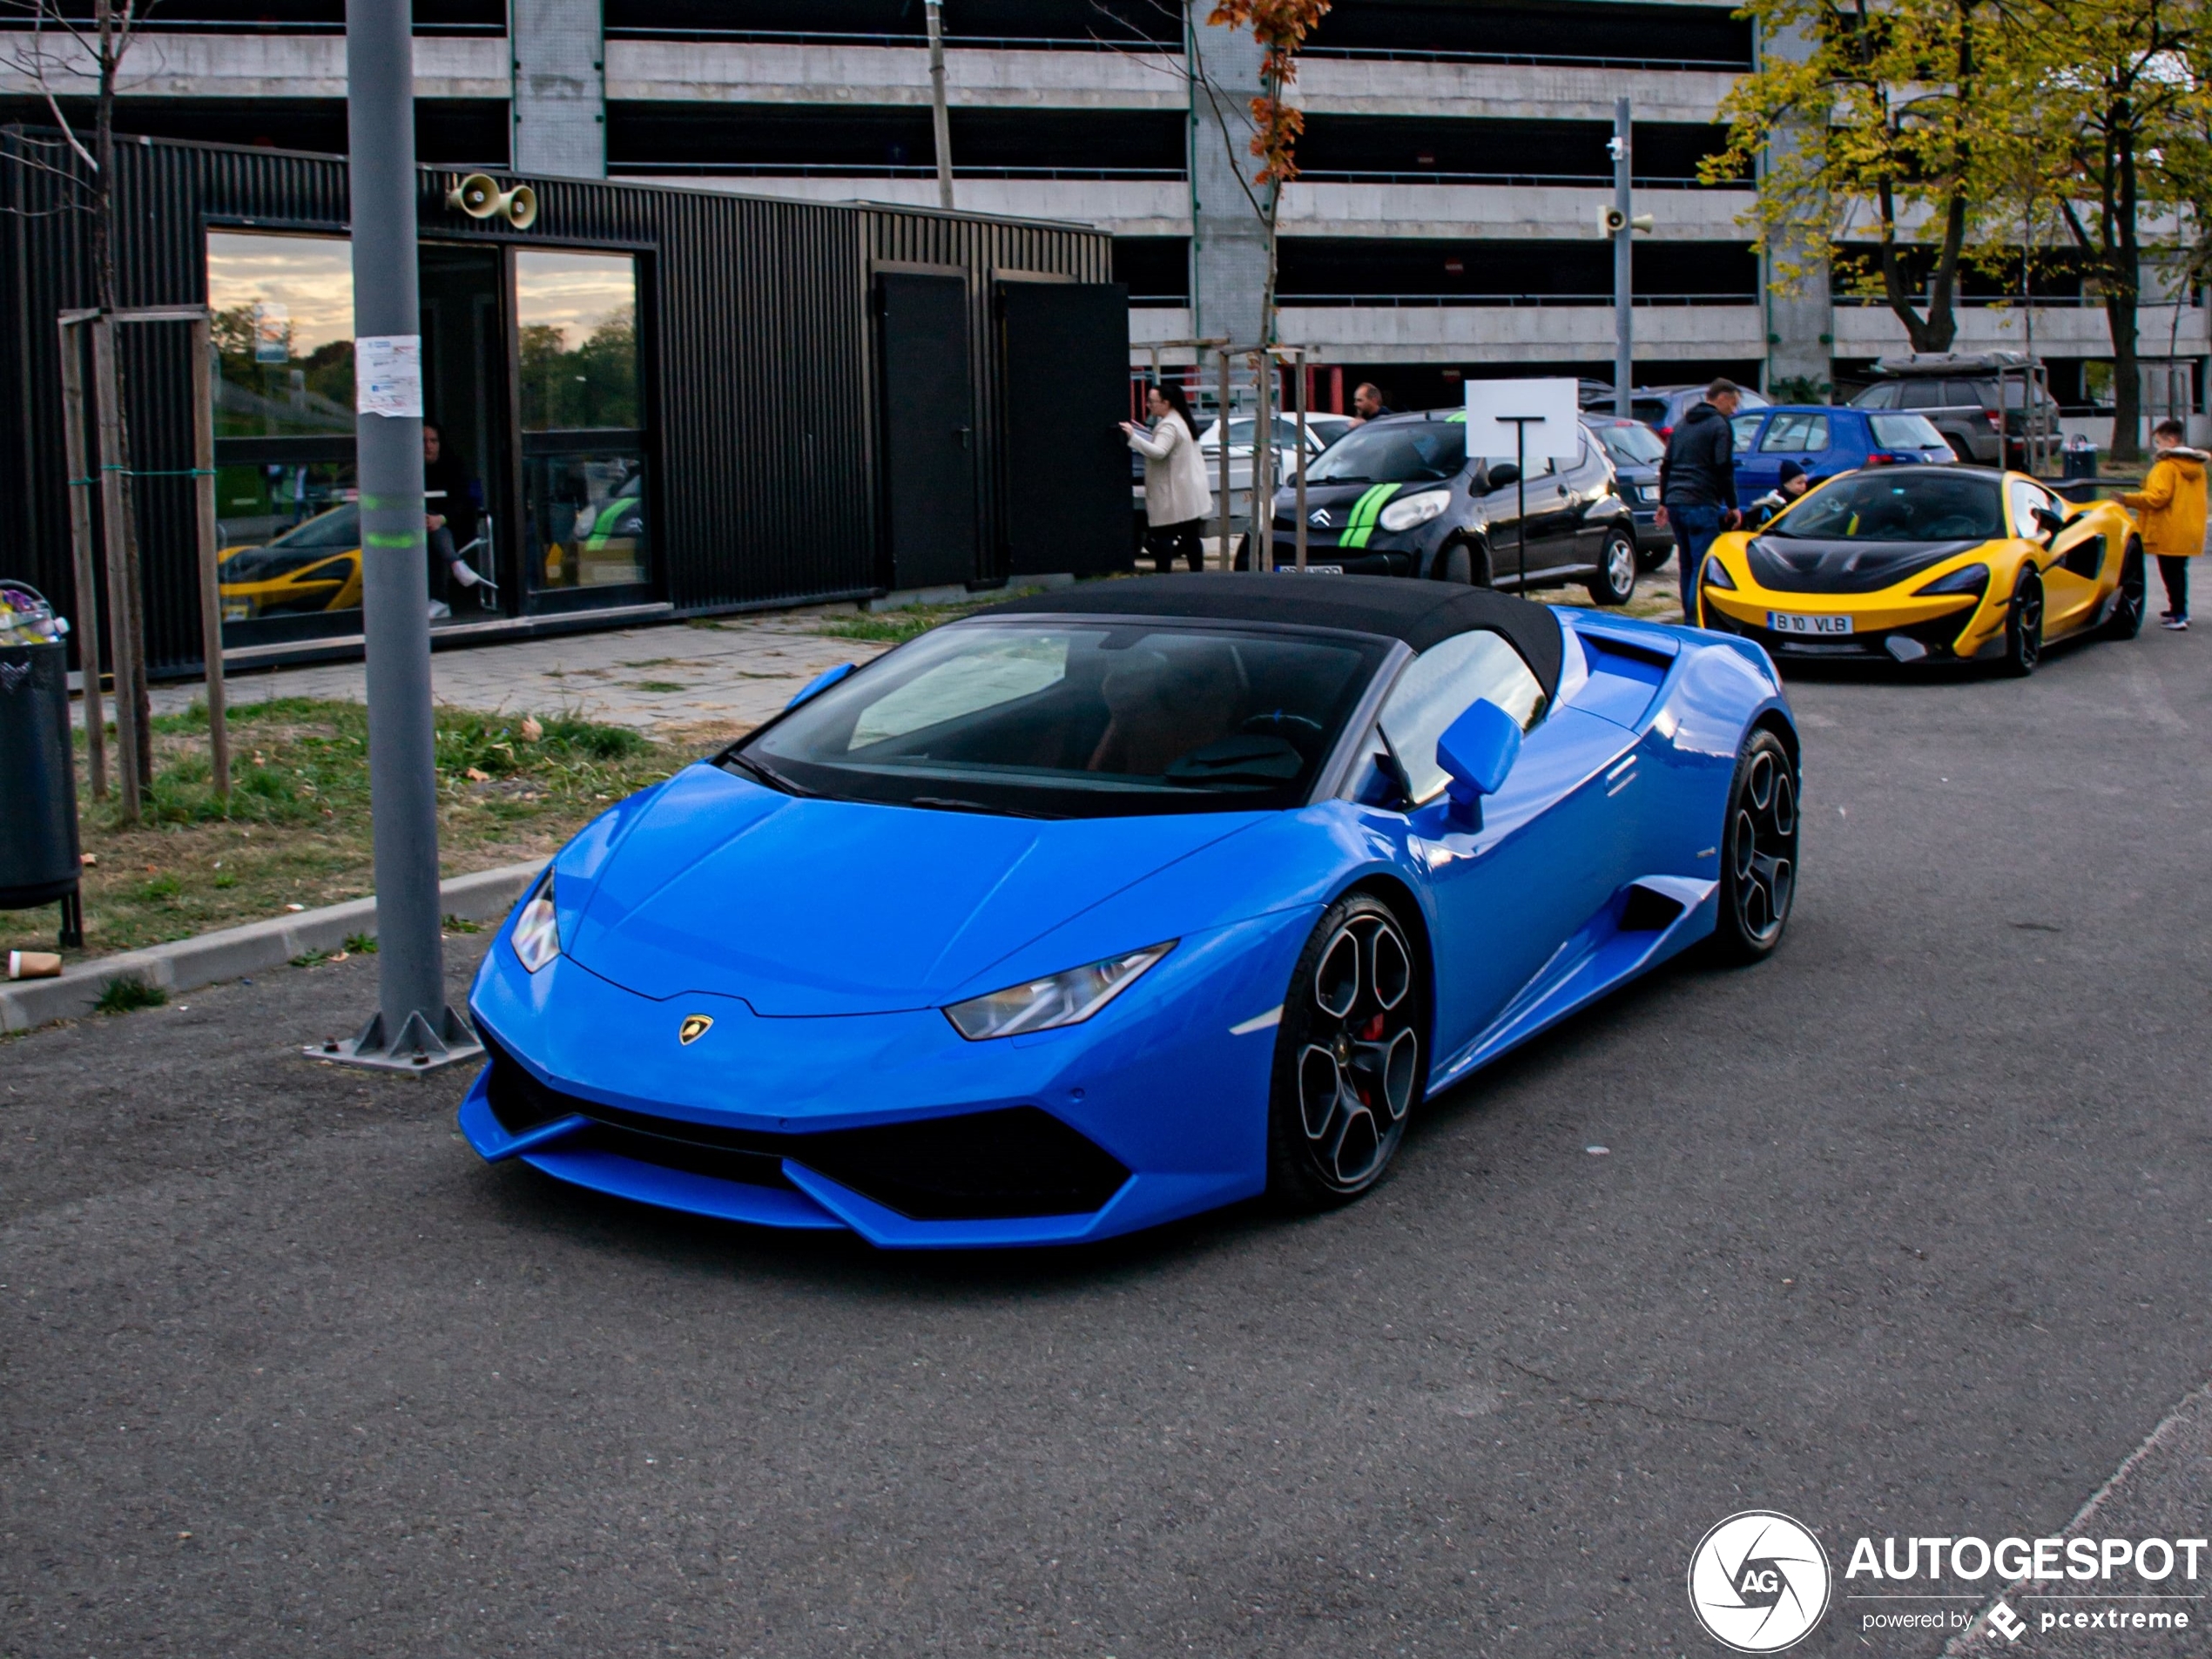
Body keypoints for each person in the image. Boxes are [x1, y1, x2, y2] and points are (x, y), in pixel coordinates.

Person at [1656, 378, 1744, 622]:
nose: (1734, 410)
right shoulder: (1720, 425)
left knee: (1685, 565)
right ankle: (1697, 620)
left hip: (1676, 502)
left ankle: (1688, 616)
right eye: (1733, 404)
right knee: (1701, 565)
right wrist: (1733, 505)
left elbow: (1667, 466)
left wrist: (1664, 501)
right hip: (1701, 502)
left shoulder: (1682, 424)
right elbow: (1723, 467)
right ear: (1722, 398)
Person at [2120, 418, 2207, 631]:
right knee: (2179, 570)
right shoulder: (2196, 466)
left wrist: (2127, 499)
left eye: (2159, 442)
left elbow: (2158, 497)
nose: (2157, 447)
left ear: (2171, 440)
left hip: (2168, 527)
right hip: (2189, 525)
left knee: (2170, 572)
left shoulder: (2166, 466)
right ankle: (2179, 609)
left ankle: (2179, 614)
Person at [1121, 381, 1214, 574]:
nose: (1148, 405)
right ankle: (1198, 574)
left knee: (1163, 535)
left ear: (1167, 402)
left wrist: (1133, 438)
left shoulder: (1168, 426)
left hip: (1172, 493)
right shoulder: (1182, 420)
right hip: (1188, 491)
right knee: (1190, 536)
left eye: (1152, 401)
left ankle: (1164, 577)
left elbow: (1158, 452)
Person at [422, 422, 489, 610]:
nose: (428, 446)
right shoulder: (412, 469)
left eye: (433, 441)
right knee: (429, 525)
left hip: (458, 525)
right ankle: (457, 565)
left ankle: (439, 600)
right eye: (423, 441)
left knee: (432, 528)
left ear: (440, 443)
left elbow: (463, 504)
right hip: (427, 525)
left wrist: (441, 519)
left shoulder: (454, 466)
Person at [1746, 459, 1815, 529]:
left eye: (1805, 483)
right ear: (1786, 484)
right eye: (1799, 483)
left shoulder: (1805, 500)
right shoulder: (1774, 505)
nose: (1804, 486)